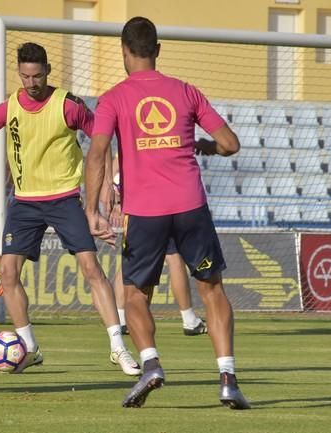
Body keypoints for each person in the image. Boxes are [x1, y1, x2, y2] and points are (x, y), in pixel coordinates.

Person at [85, 17, 250, 409]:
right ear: (157, 50)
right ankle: (227, 378)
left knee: (135, 294)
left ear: (125, 52)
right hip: (191, 205)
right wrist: (206, 148)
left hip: (145, 212)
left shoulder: (113, 98)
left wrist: (92, 208)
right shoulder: (186, 91)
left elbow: (97, 153)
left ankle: (151, 364)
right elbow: (230, 143)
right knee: (212, 289)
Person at [0, 42, 141, 376]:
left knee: (90, 268)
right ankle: (30, 348)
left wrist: (110, 183)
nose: (31, 82)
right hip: (24, 202)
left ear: (48, 71)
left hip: (64, 198)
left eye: (37, 75)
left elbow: (102, 139)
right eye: (25, 76)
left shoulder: (68, 105)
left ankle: (118, 348)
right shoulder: (8, 107)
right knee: (8, 273)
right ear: (19, 73)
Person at [109, 159, 206, 336]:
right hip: (160, 204)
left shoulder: (131, 138)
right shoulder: (159, 141)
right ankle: (189, 319)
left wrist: (116, 203)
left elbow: (114, 172)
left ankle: (122, 319)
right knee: (174, 257)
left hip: (136, 208)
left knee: (129, 260)